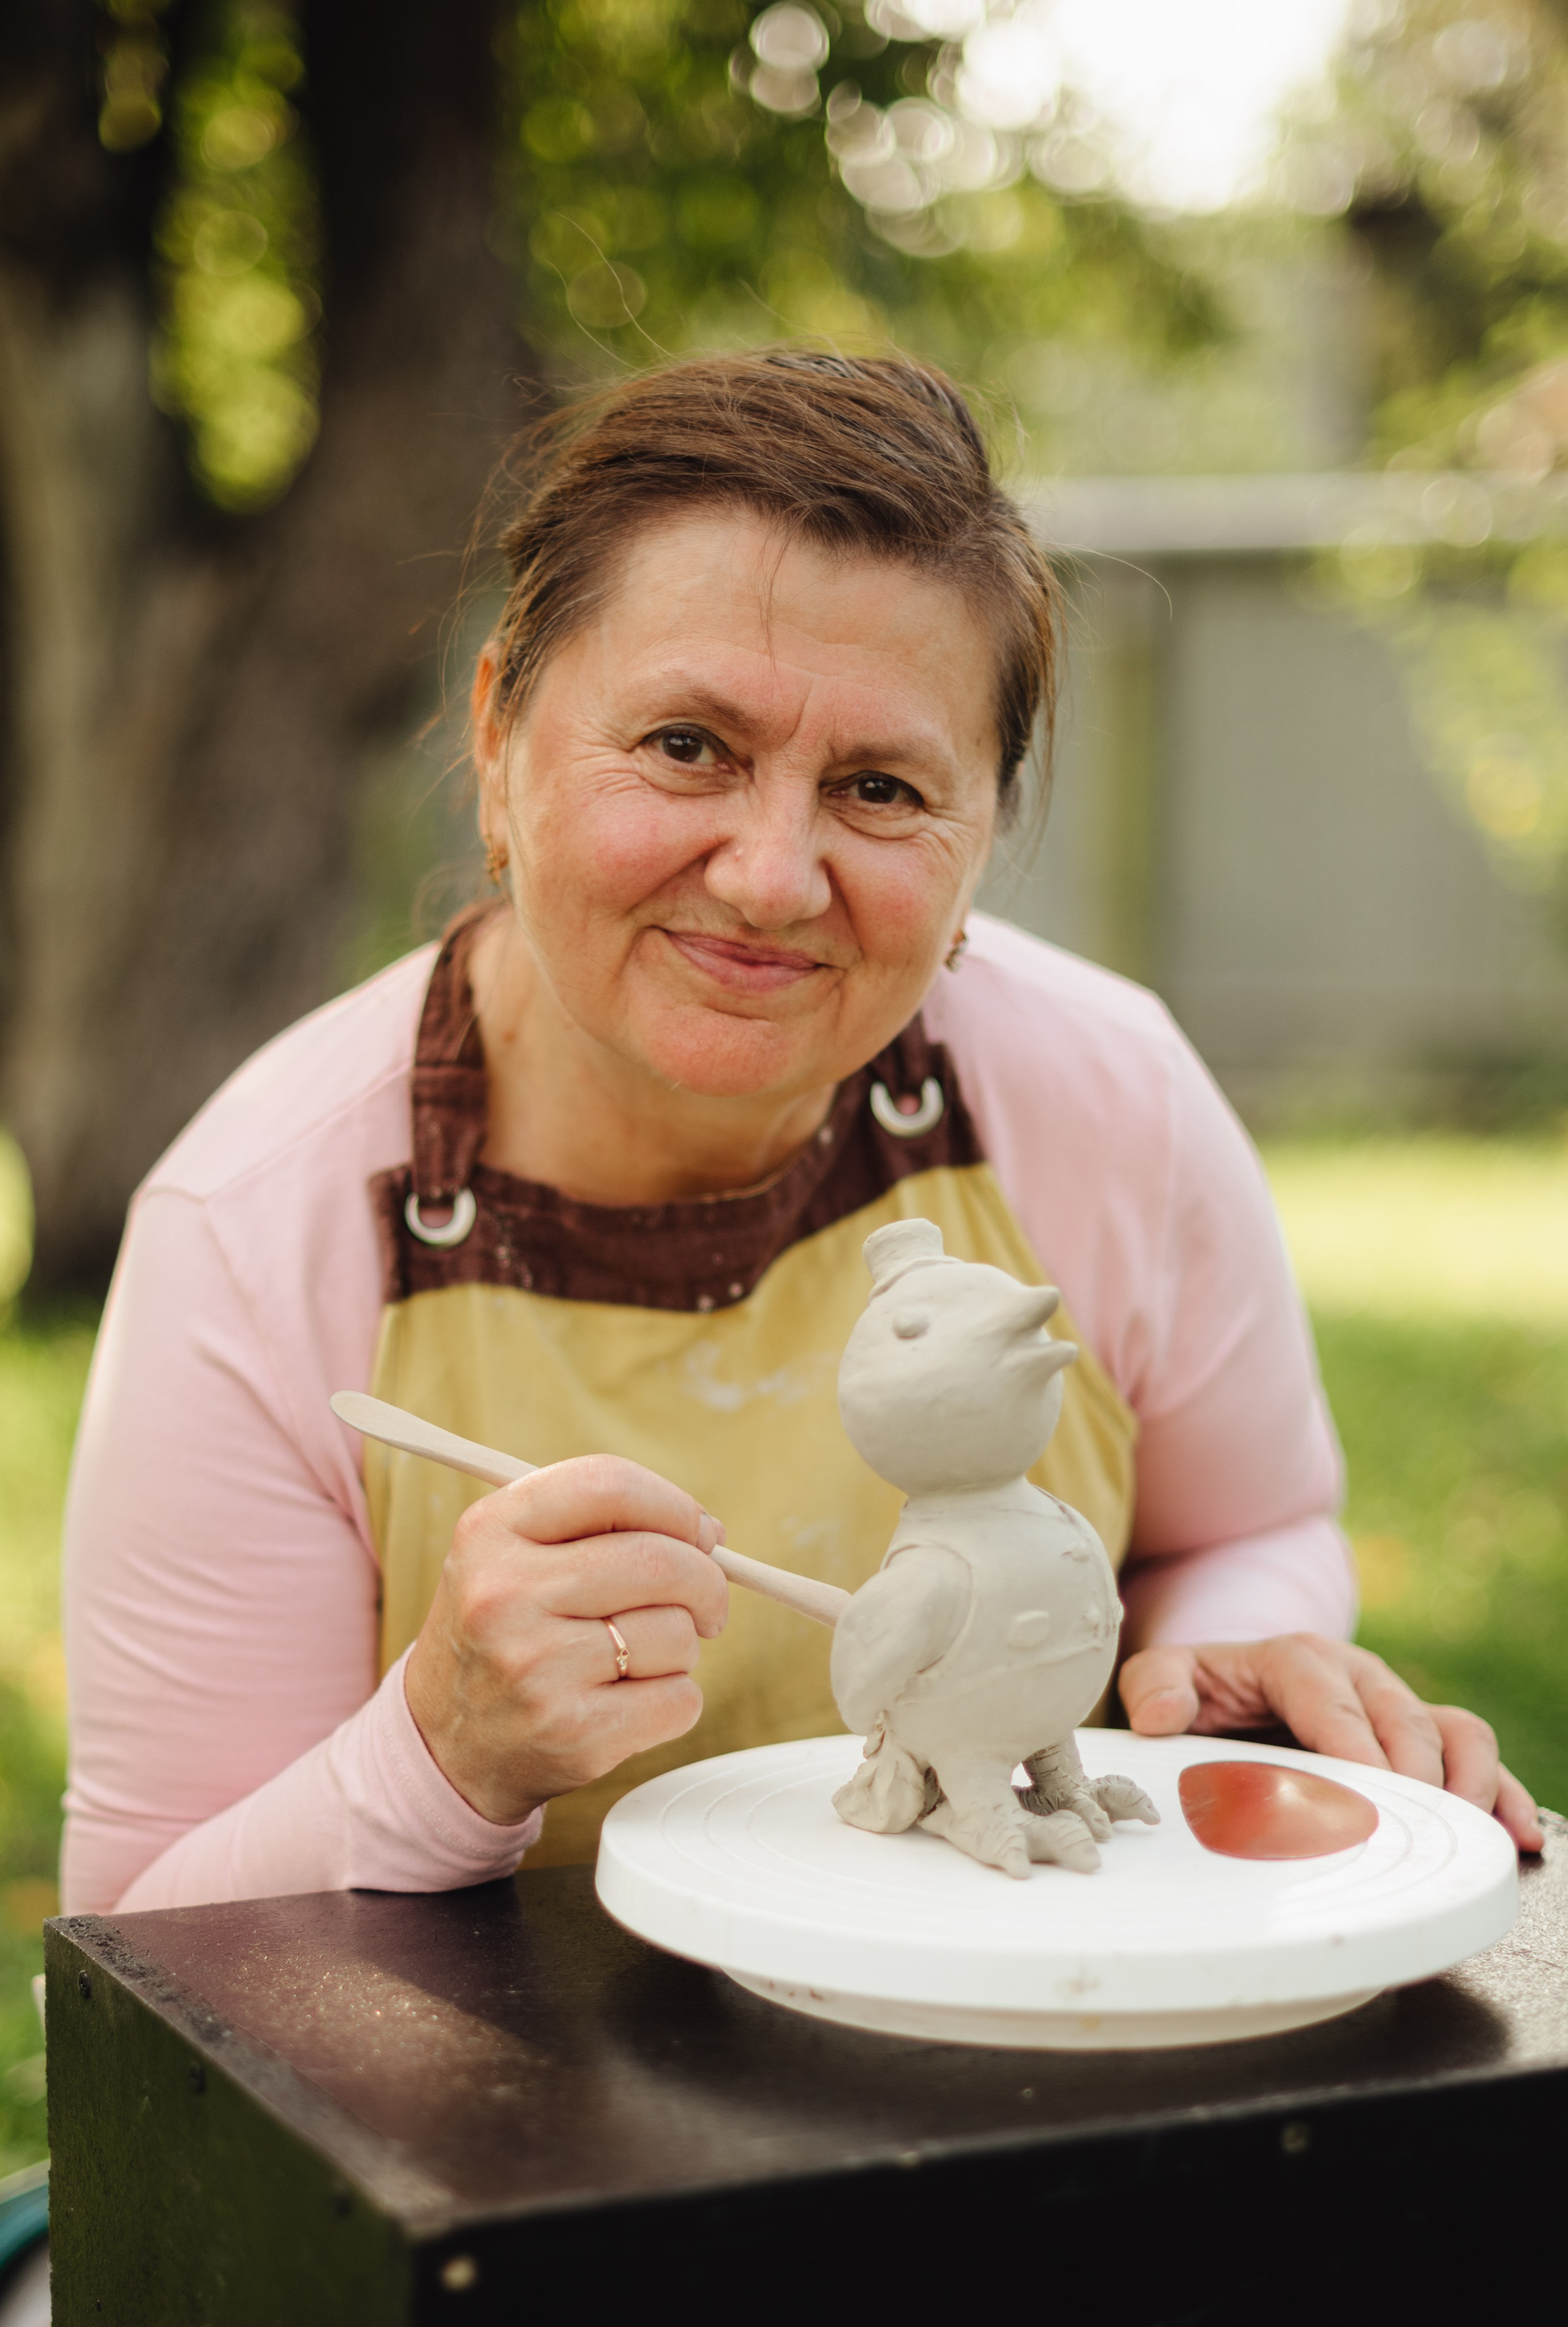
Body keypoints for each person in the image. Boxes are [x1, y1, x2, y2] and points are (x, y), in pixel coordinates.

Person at [60, 351, 1540, 1917]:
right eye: (687, 745)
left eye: (880, 786)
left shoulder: (1110, 1097)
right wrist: (439, 1752)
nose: (771, 876)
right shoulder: (252, 1226)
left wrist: (1224, 1651)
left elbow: (1250, 1524)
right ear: (498, 736)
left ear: (983, 829)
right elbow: (147, 1941)